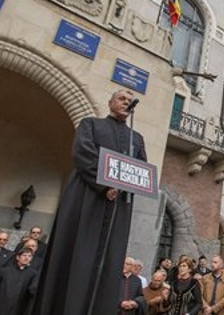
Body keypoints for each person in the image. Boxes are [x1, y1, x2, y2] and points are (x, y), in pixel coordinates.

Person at [36, 89, 147, 315]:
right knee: (78, 254)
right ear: (110, 102)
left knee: (109, 260)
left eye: (129, 100)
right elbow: (83, 153)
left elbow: (140, 170)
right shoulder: (91, 124)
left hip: (118, 205)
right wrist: (105, 185)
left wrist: (122, 185)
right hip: (87, 195)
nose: (126, 102)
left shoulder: (137, 138)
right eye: (121, 99)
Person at [0, 248, 39, 315]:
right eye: (24, 255)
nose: (27, 258)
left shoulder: (33, 274)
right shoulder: (5, 271)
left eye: (29, 256)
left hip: (17, 309)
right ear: (18, 257)